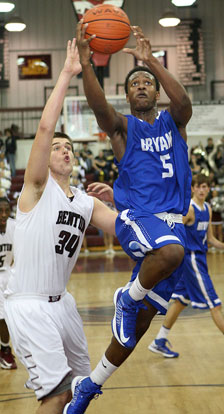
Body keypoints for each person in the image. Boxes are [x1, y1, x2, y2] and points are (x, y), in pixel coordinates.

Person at [63, 22, 192, 414]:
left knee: (139, 327)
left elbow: (184, 103)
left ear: (156, 92)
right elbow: (101, 110)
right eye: (133, 82)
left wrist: (150, 60)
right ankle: (126, 297)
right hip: (140, 218)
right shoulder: (123, 129)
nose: (140, 85)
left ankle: (89, 384)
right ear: (126, 94)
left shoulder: (175, 122)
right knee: (170, 257)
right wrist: (87, 67)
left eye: (146, 82)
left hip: (171, 225)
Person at [3, 39, 117, 414]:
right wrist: (68, 73)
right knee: (54, 396)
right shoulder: (36, 190)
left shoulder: (86, 201)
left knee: (78, 392)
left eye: (69, 146)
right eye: (57, 147)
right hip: (29, 303)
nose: (64, 149)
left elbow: (123, 229)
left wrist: (122, 197)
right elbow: (44, 128)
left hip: (62, 304)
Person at [148, 173, 224, 358]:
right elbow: (173, 230)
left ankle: (159, 340)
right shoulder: (189, 209)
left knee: (181, 300)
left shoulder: (207, 208)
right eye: (199, 186)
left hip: (200, 259)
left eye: (205, 186)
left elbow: (211, 238)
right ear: (193, 188)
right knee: (215, 304)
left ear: (209, 189)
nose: (202, 190)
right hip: (191, 260)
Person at [0, 197, 16, 369]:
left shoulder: (15, 226)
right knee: (2, 317)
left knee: (11, 316)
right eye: (0, 211)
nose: (3, 215)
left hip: (9, 274)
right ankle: (4, 350)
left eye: (6, 210)